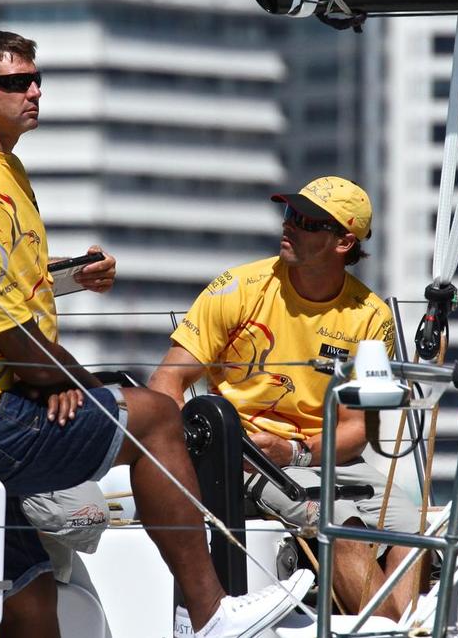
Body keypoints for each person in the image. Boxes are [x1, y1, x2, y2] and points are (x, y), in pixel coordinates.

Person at [0, 81, 311, 638]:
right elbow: (33, 360)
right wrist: (82, 386)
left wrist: (54, 377)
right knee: (156, 415)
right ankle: (208, 616)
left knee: (32, 600)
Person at [149, 177, 422, 620]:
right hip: (244, 458)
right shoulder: (237, 288)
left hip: (318, 458)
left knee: (417, 528)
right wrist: (209, 453)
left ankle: (401, 629)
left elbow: (354, 431)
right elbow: (165, 383)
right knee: (344, 527)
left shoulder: (372, 316)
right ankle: (390, 631)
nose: (289, 226)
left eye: (307, 221)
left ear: (344, 242)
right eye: (290, 214)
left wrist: (295, 453)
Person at [0, 30, 115, 592]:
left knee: (38, 579)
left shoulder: (10, 170)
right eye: (18, 83)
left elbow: (12, 279)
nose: (35, 92)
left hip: (30, 375)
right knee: (145, 433)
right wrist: (48, 380)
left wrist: (69, 278)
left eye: (38, 80)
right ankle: (204, 612)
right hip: (5, 392)